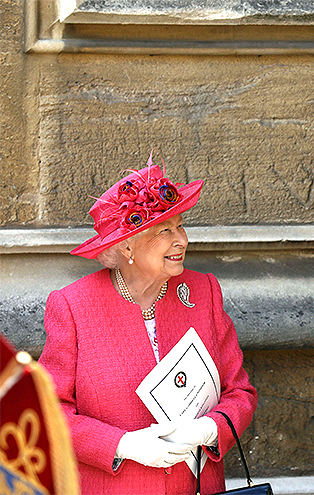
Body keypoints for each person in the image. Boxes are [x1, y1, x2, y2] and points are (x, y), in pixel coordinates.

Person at [39, 151, 257, 495]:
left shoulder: (204, 291)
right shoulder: (73, 306)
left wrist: (209, 429)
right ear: (127, 246)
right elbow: (49, 413)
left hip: (197, 487)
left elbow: (240, 392)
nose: (181, 240)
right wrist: (123, 444)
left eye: (181, 225)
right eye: (164, 230)